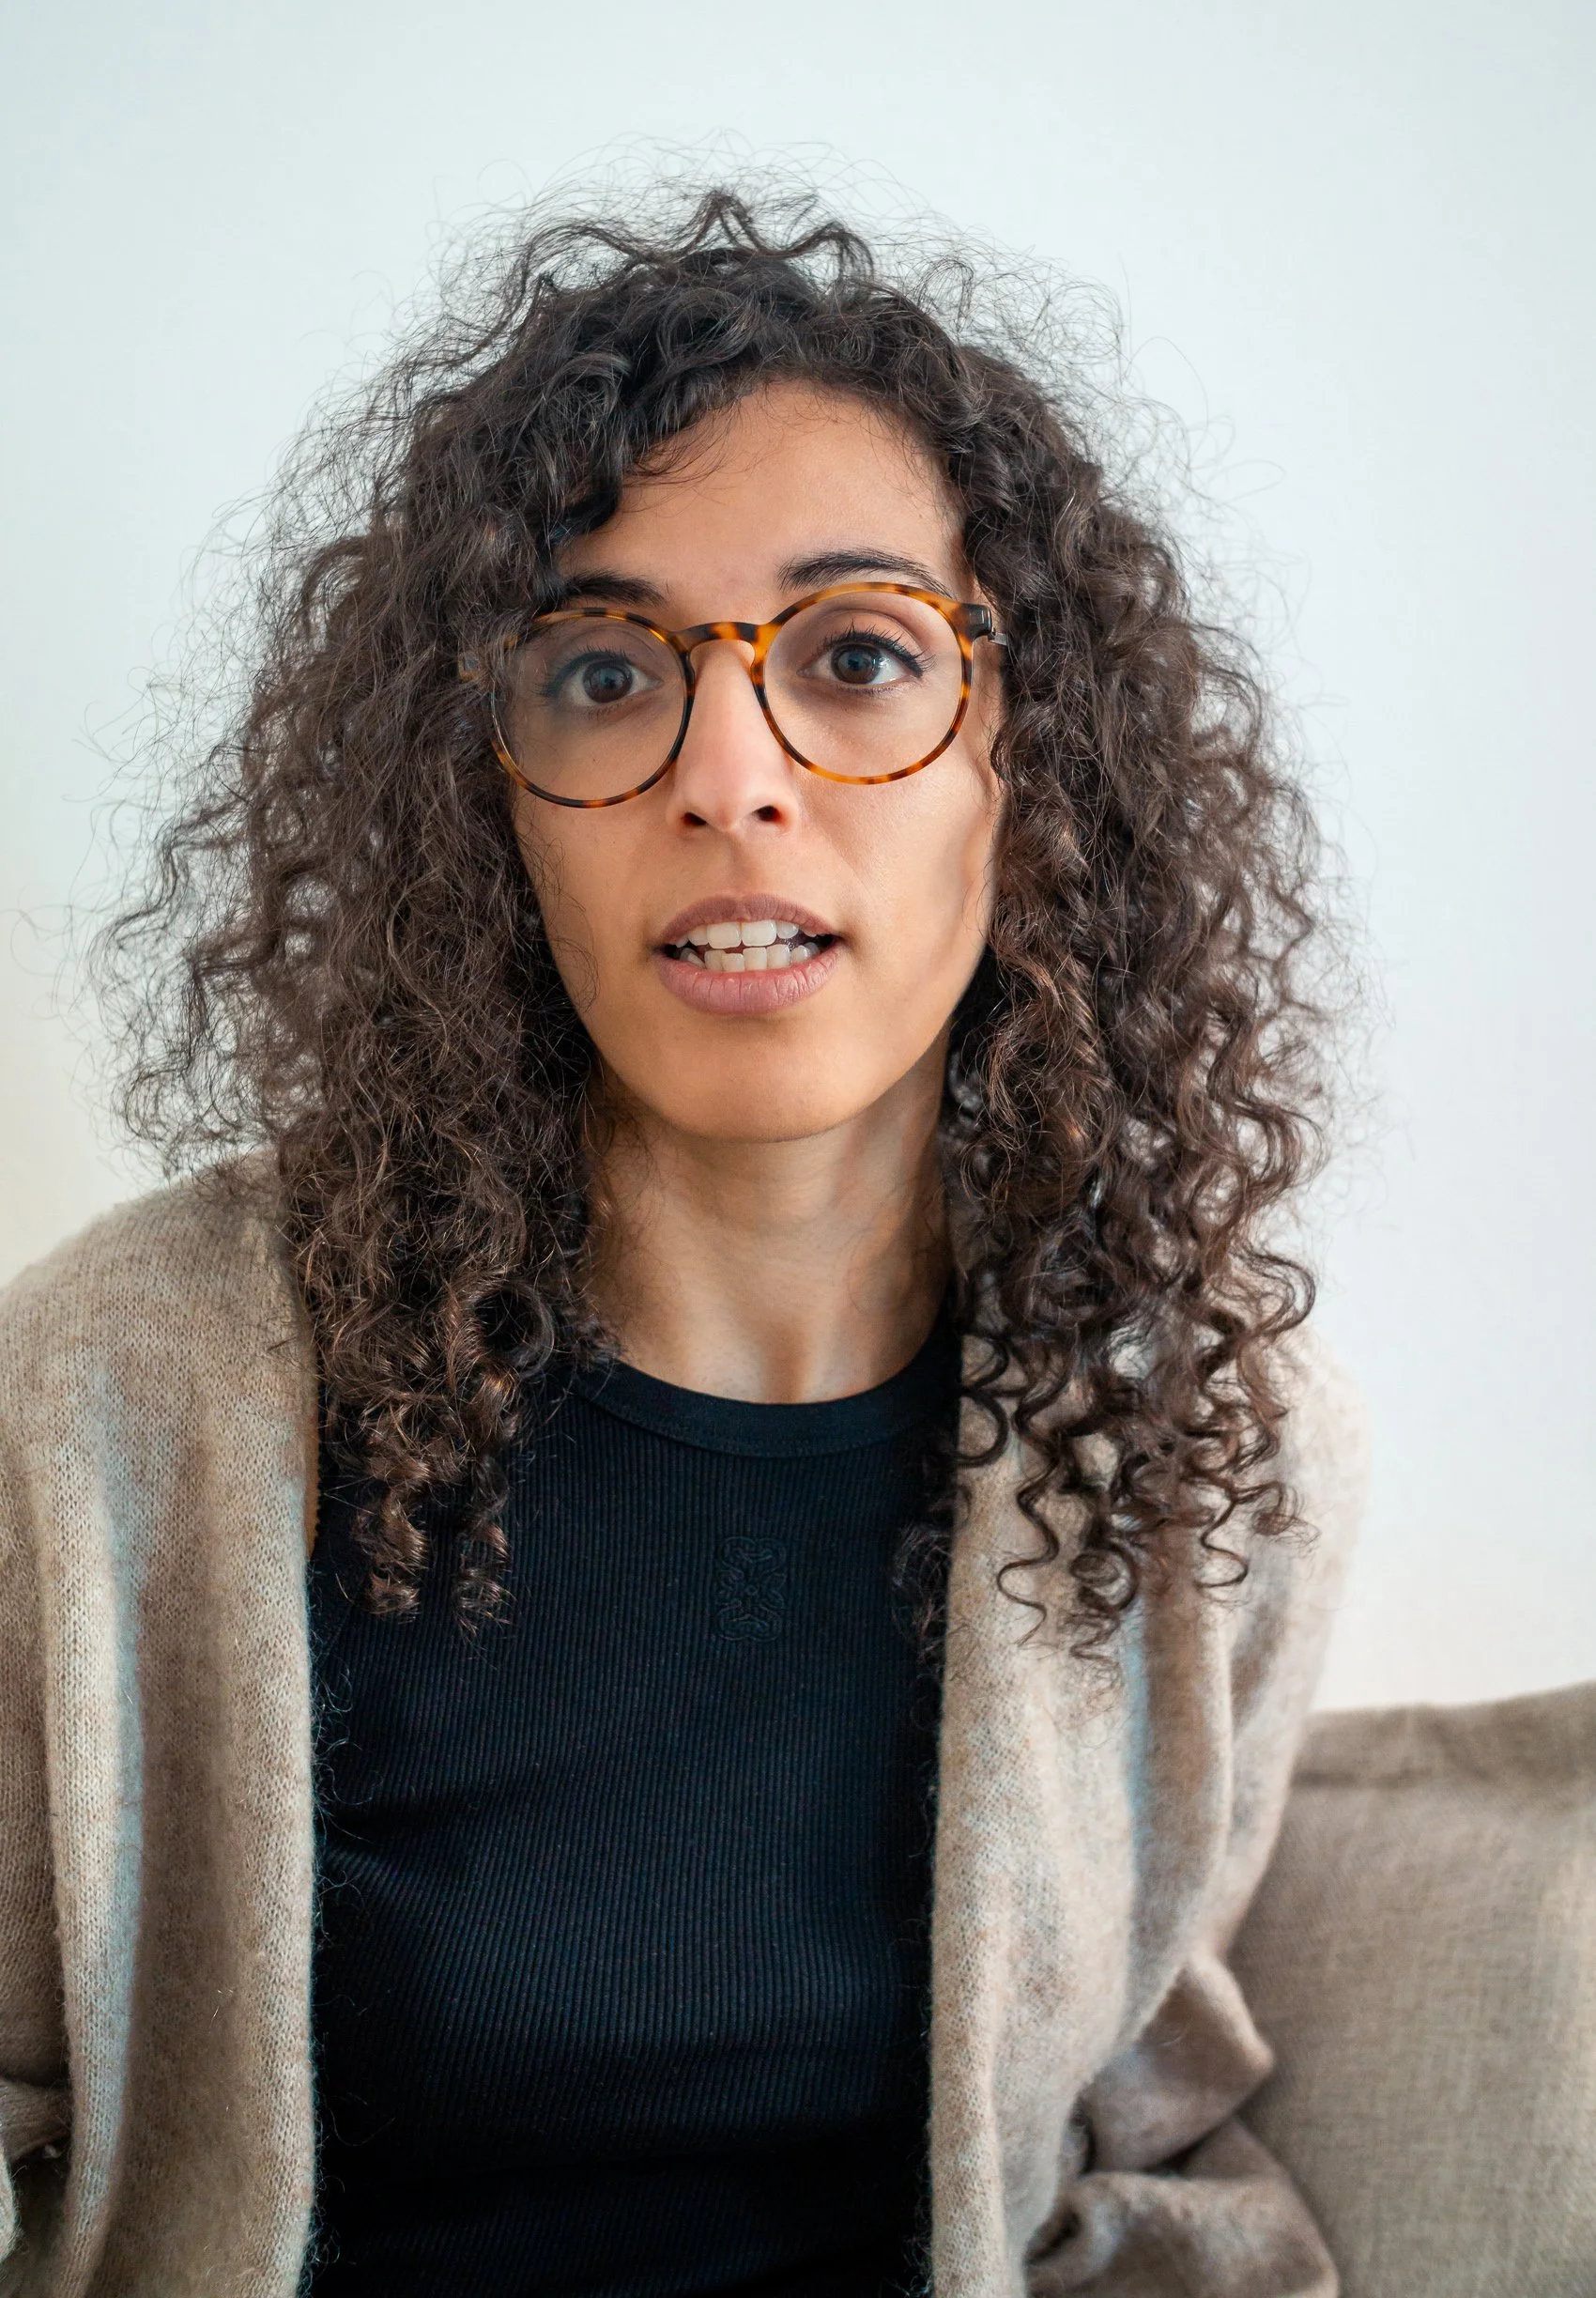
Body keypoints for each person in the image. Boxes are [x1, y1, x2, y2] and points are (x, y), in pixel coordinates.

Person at [0, 186, 1365, 2297]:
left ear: (1034, 757)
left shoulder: (1196, 1438)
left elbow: (1136, 2129)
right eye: (605, 667)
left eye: (858, 657)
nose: (731, 775)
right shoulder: (115, 1388)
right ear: (488, 789)